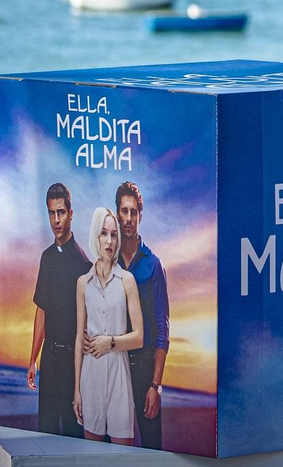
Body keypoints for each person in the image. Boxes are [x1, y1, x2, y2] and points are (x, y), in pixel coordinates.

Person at [73, 207, 146, 445]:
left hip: (119, 374)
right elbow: (78, 337)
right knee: (92, 455)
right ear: (95, 236)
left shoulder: (127, 280)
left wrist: (110, 342)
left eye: (114, 235)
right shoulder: (83, 283)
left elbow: (139, 337)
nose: (109, 241)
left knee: (123, 455)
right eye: (104, 234)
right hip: (90, 375)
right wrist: (77, 391)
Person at [27, 183, 91, 437]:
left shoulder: (83, 264)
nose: (56, 219)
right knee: (46, 432)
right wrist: (32, 359)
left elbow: (88, 324)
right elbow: (41, 310)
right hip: (49, 361)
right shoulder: (46, 257)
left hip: (72, 364)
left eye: (61, 212)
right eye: (52, 213)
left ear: (71, 214)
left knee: (74, 436)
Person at [115, 181, 170, 449]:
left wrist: (155, 386)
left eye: (133, 212)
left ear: (140, 216)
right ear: (116, 215)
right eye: (123, 211)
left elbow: (162, 330)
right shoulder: (107, 262)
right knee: (111, 448)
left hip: (144, 368)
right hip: (114, 366)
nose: (128, 218)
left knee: (151, 451)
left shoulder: (153, 264)